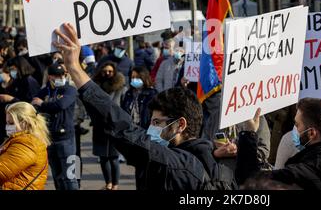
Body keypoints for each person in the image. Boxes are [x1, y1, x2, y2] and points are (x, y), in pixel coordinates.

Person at [52, 22, 237, 190]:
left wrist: (75, 68)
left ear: (181, 125)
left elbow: (121, 126)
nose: (151, 128)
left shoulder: (170, 164)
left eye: (158, 122)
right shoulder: (221, 161)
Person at [236, 99, 321, 189]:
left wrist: (249, 133)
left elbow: (250, 180)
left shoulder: (303, 171)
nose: (294, 129)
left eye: (297, 125)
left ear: (311, 133)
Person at [32, 63, 79, 190]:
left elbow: (61, 105)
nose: (60, 78)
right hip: (49, 138)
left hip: (67, 138)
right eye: (56, 76)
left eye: (62, 75)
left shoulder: (70, 89)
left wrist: (42, 104)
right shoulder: (46, 90)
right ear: (50, 77)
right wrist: (41, 104)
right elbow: (33, 103)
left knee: (71, 176)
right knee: (57, 176)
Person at [92, 61, 126, 190]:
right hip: (99, 125)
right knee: (103, 158)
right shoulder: (96, 85)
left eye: (110, 71)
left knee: (113, 157)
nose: (107, 73)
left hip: (115, 126)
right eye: (105, 71)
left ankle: (115, 184)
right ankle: (108, 183)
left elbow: (123, 105)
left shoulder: (120, 87)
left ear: (114, 72)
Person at [0, 102, 50, 190]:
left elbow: (2, 171)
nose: (7, 126)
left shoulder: (26, 144)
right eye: (7, 123)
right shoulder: (22, 139)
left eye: (11, 123)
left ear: (26, 122)